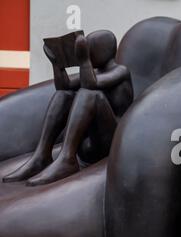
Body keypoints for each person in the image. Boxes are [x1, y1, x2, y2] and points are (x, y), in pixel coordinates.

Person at [3, 30, 133, 186]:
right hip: (90, 144)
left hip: (112, 142)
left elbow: (90, 85)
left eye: (91, 50)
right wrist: (57, 64)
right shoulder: (95, 73)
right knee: (64, 95)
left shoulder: (120, 71)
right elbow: (64, 85)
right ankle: (42, 155)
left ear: (104, 50)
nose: (89, 54)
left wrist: (84, 60)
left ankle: (67, 159)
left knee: (91, 96)